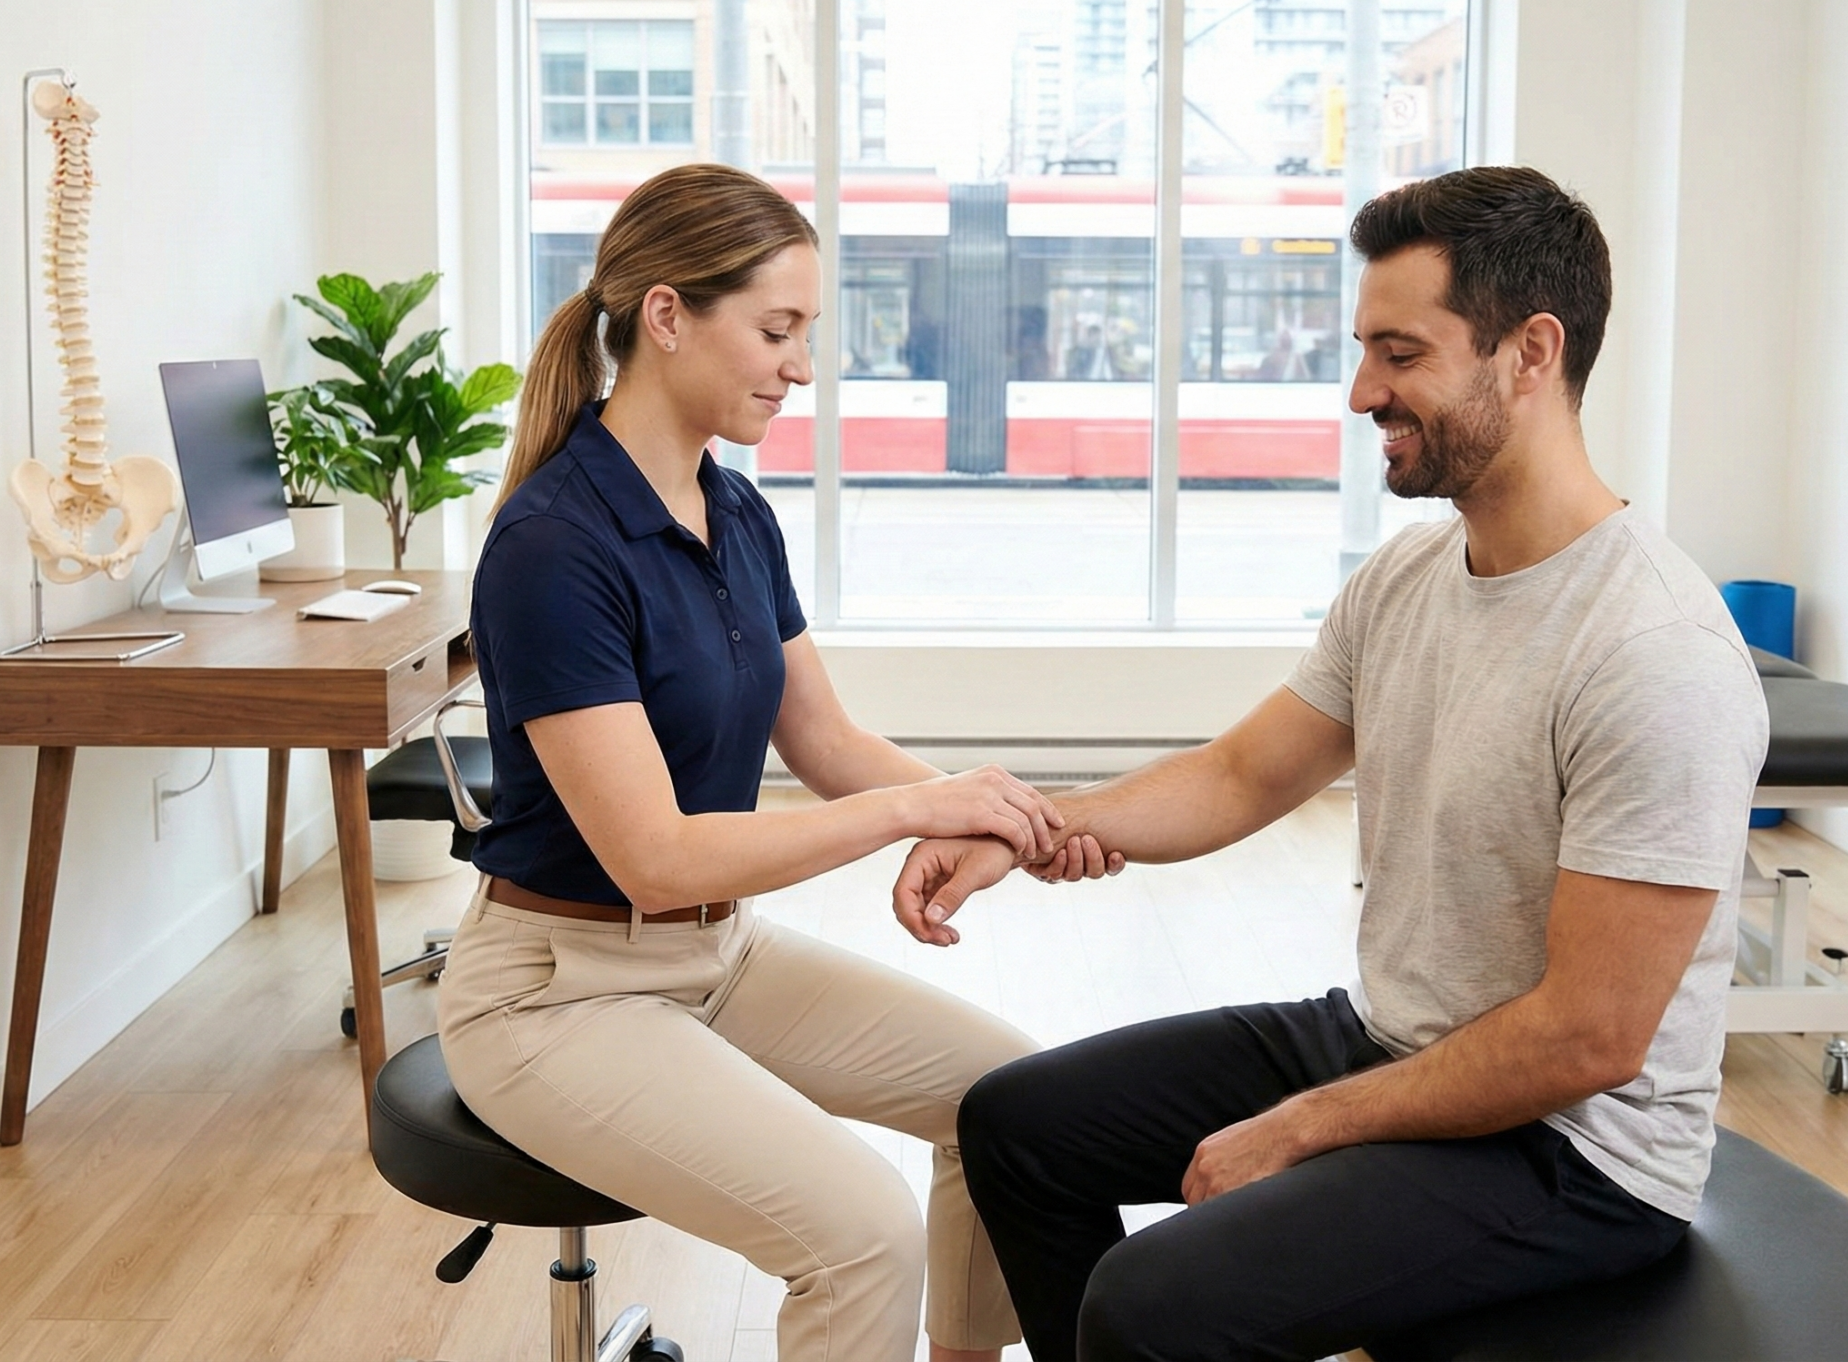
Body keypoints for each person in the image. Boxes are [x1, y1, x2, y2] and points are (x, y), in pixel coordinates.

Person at [891, 166, 1769, 1362]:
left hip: (1574, 1151)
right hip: (1396, 1038)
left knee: (1149, 1304)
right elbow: (1246, 772)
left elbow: (1588, 1039)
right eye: (1365, 350)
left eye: (1400, 353)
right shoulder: (1408, 579)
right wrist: (1029, 824)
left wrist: (1304, 1127)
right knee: (1018, 1124)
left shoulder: (1652, 651)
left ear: (1531, 352)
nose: (1363, 391)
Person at [436, 163, 1047, 1362]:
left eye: (805, 333)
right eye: (777, 330)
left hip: (716, 954)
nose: (802, 365)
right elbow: (654, 857)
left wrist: (998, 810)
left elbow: (823, 742)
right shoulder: (552, 548)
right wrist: (917, 807)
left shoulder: (735, 511)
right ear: (666, 316)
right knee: (862, 1235)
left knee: (1015, 1107)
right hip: (556, 992)